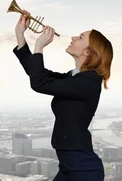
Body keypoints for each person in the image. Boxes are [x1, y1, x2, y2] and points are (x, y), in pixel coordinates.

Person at [12, 10, 113, 181]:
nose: (73, 37)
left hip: (83, 170)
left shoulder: (88, 82)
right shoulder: (73, 77)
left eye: (80, 37)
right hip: (69, 168)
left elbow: (39, 83)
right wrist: (20, 35)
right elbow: (37, 73)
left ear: (88, 52)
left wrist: (39, 46)